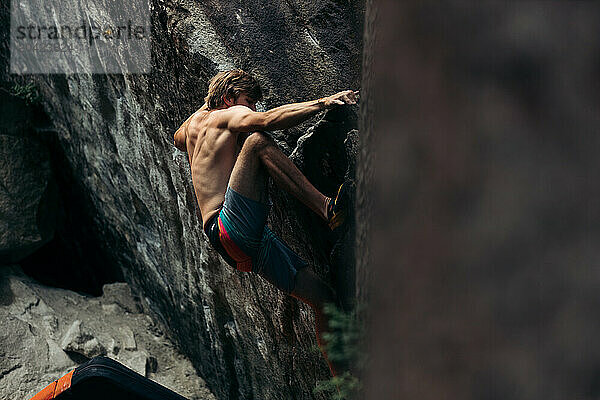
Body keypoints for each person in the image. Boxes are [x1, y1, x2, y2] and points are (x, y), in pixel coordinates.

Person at [173, 69, 357, 376]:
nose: (251, 110)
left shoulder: (193, 124)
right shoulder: (226, 116)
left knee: (325, 300)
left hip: (230, 243)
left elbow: (179, 140)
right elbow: (268, 120)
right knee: (257, 141)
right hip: (230, 224)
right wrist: (324, 101)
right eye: (247, 102)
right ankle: (328, 210)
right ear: (230, 98)